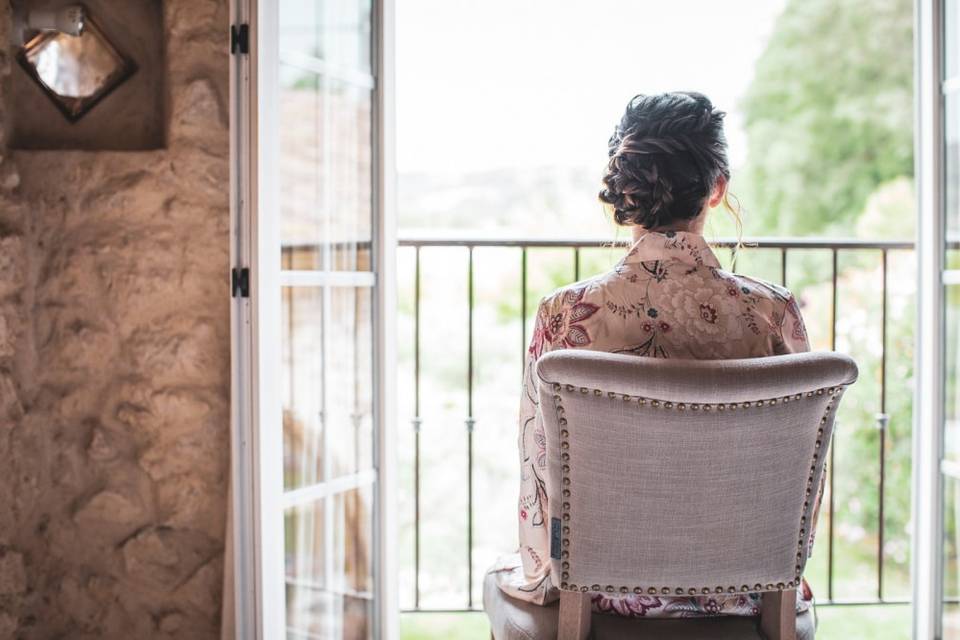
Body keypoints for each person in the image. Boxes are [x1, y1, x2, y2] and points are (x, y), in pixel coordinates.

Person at [491, 91, 813, 618]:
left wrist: (543, 574)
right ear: (717, 189)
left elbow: (540, 471)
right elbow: (802, 471)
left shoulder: (564, 314)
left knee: (495, 570)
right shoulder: (772, 314)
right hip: (745, 590)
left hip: (600, 595)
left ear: (626, 192)